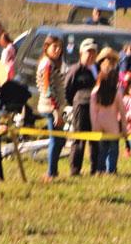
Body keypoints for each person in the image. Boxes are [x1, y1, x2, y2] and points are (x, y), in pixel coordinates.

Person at [65, 39, 100, 175]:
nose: (91, 55)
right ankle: (75, 169)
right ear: (81, 53)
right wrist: (74, 103)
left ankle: (96, 169)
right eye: (88, 52)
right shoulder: (75, 70)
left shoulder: (98, 68)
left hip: (96, 108)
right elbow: (67, 89)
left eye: (93, 52)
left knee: (95, 139)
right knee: (79, 139)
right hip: (81, 107)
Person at [36, 35, 68, 179]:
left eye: (60, 47)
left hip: (56, 107)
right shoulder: (47, 64)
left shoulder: (52, 63)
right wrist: (56, 112)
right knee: (55, 140)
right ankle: (50, 173)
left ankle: (53, 171)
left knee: (60, 140)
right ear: (46, 47)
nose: (57, 50)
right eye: (54, 47)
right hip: (50, 107)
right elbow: (47, 89)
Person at [89, 65, 124, 174]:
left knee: (102, 149)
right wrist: (125, 128)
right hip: (113, 125)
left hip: (99, 124)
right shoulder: (117, 92)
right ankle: (111, 170)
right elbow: (123, 112)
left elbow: (93, 112)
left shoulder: (95, 92)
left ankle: (100, 169)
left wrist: (94, 127)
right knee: (113, 149)